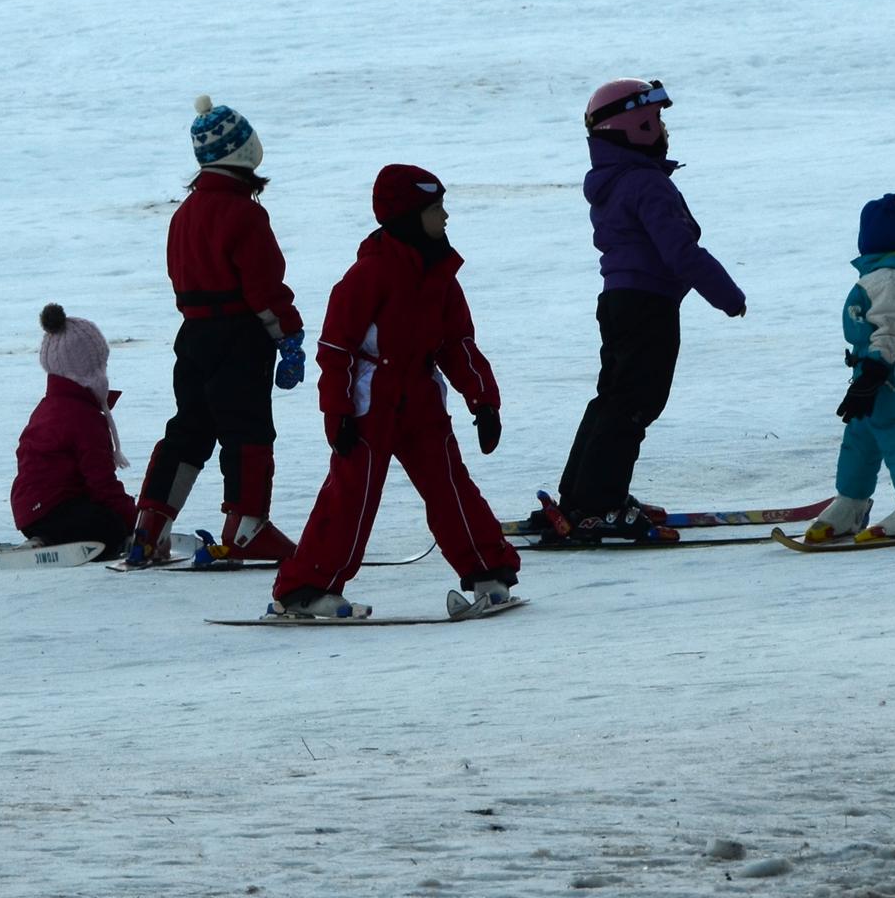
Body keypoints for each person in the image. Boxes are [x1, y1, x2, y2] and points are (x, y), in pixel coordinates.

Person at [270, 165, 522, 619]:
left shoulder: (440, 273)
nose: (445, 217)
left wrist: (483, 400)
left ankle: (489, 571)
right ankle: (307, 589)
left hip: (422, 396)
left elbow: (457, 343)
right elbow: (336, 349)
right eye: (436, 208)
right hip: (370, 402)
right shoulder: (368, 274)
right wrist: (338, 412)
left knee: (450, 486)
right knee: (353, 494)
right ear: (408, 217)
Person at [546, 78, 745, 542]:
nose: (663, 130)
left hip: (618, 303)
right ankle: (601, 504)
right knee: (635, 405)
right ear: (633, 127)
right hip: (648, 306)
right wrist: (727, 295)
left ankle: (580, 497)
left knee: (613, 399)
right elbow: (681, 252)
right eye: (655, 120)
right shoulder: (646, 183)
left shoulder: (615, 180)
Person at [127, 96, 307, 565]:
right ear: (245, 154)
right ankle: (247, 528)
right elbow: (264, 288)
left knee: (188, 430)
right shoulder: (245, 214)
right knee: (248, 432)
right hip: (239, 338)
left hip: (193, 337)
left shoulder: (183, 213)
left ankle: (149, 526)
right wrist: (288, 338)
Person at [805, 194, 895, 541]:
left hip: (890, 369)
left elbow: (891, 327)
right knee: (861, 432)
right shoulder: (882, 275)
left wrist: (875, 370)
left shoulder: (887, 278)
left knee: (893, 427)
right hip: (875, 367)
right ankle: (851, 502)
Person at [11, 303, 139, 557]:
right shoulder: (83, 417)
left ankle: (44, 538)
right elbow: (101, 481)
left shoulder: (50, 406)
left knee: (100, 515)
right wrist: (135, 520)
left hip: (31, 511)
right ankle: (50, 541)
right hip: (56, 510)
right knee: (111, 526)